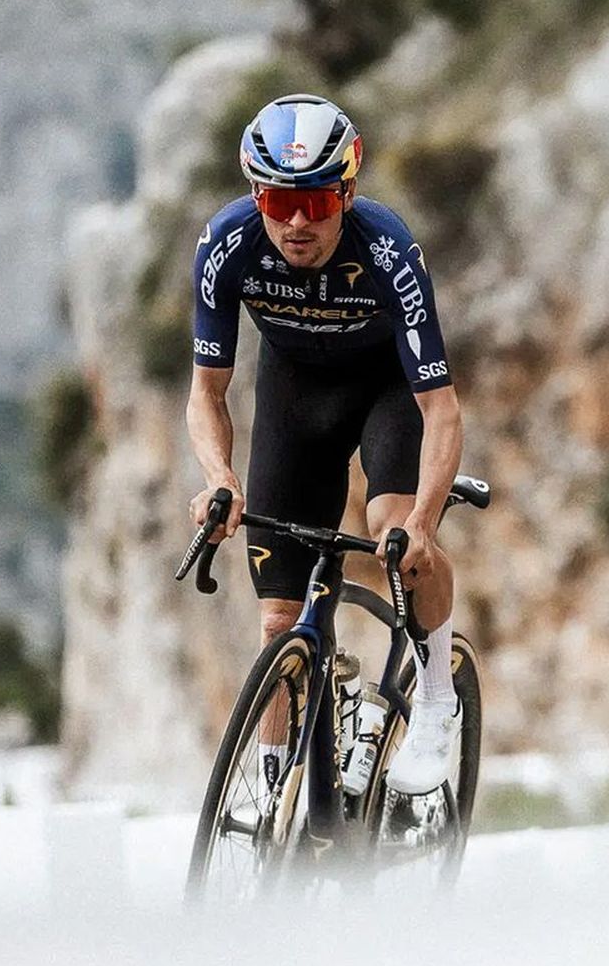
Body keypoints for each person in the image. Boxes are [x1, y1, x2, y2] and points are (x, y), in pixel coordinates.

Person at [185, 93, 463, 795]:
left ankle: (435, 698)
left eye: (317, 201)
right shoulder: (226, 244)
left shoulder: (390, 249)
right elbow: (207, 394)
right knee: (279, 617)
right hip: (293, 395)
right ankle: (274, 800)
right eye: (280, 205)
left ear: (347, 192)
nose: (300, 222)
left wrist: (424, 523)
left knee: (391, 530)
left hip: (385, 391)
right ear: (257, 197)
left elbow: (441, 408)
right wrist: (220, 478)